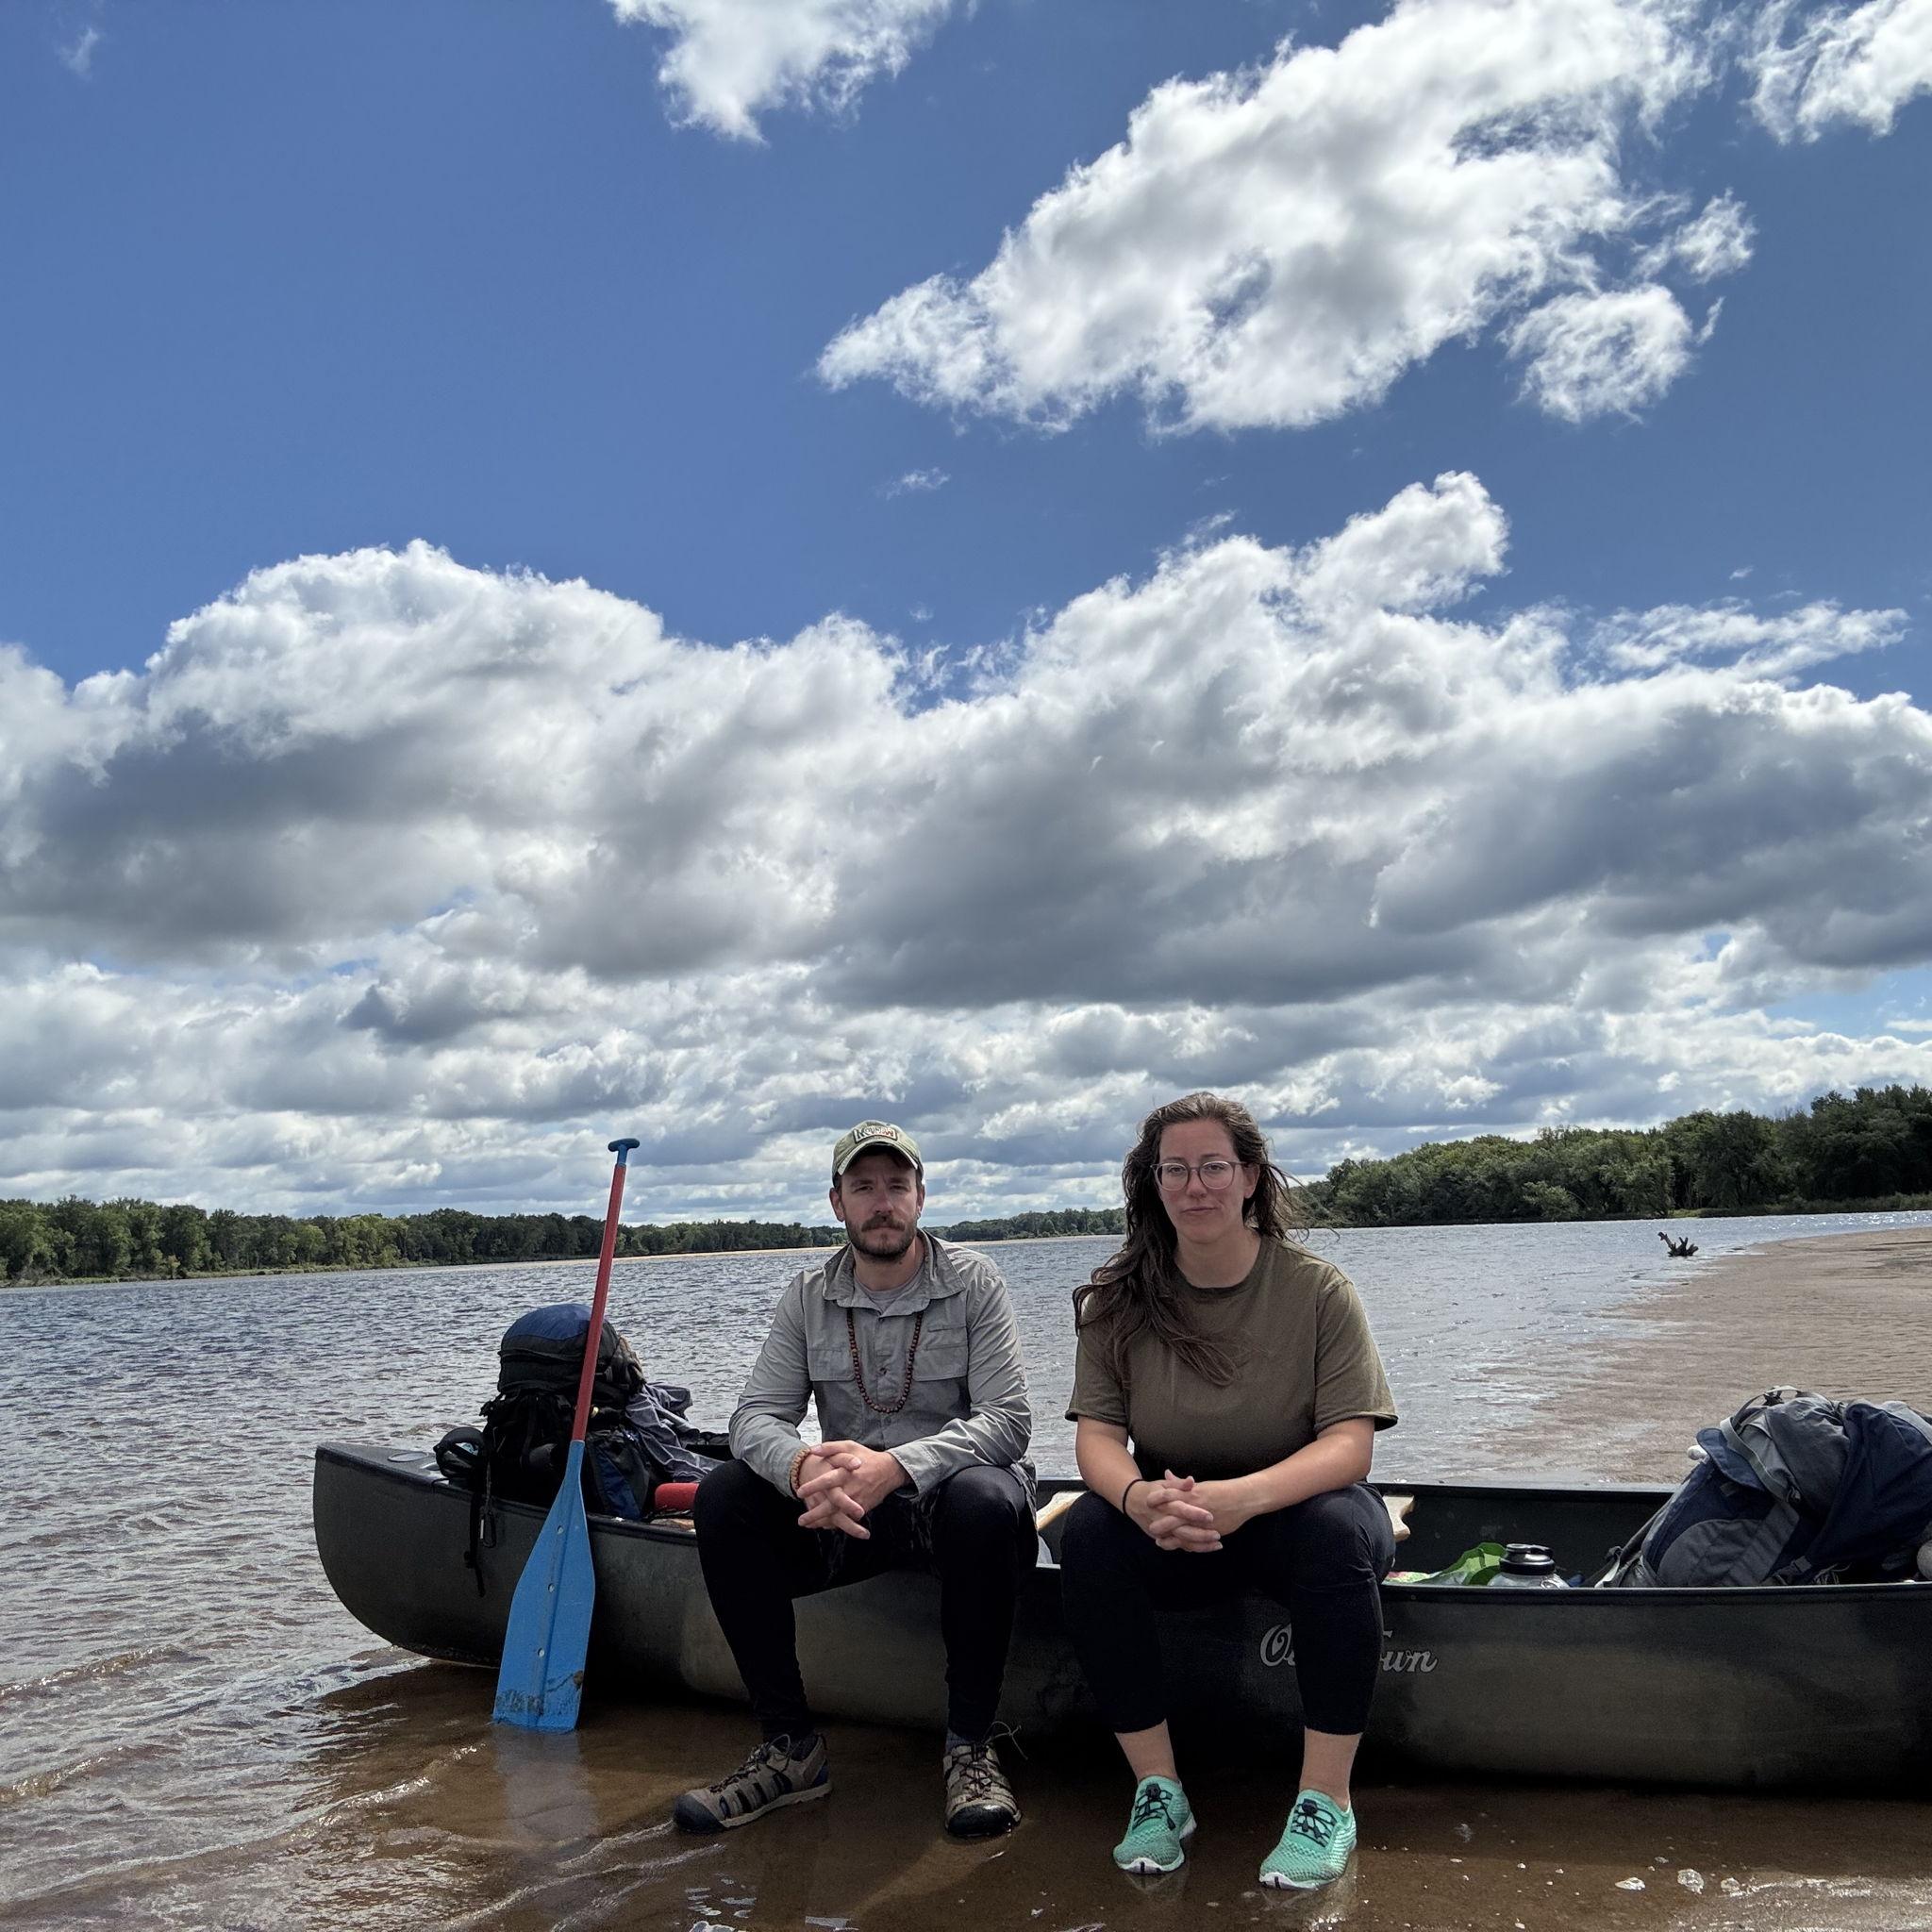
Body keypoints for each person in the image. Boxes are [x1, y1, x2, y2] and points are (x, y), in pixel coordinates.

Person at [1058, 1092, 1398, 1890]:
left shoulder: (1318, 1290)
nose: (1195, 1186)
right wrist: (1140, 1500)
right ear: (1152, 1184)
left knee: (1339, 1533)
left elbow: (1351, 1445)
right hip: (1177, 1519)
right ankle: (1158, 1790)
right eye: (1174, 1170)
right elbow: (1098, 1441)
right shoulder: (1117, 1297)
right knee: (1087, 1535)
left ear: (1249, 1177)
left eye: (1213, 1166)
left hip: (1296, 1515)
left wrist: (1246, 1496)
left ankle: (1326, 1800)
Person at [673, 1120, 1035, 1840]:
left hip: (954, 1517)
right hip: (850, 1519)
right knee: (725, 1498)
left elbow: (1009, 1421)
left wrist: (896, 1466)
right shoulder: (808, 1295)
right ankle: (790, 1749)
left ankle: (969, 1746)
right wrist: (805, 1467)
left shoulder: (973, 1283)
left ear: (921, 1198)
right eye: (863, 1187)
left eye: (896, 1186)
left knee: (987, 1498)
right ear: (837, 1203)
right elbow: (754, 1418)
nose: (882, 1203)